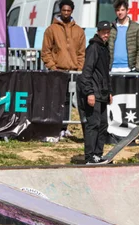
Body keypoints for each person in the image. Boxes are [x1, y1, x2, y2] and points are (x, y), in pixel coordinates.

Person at [41, 0, 86, 138]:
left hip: (72, 72)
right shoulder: (51, 29)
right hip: (57, 71)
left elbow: (81, 52)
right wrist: (53, 67)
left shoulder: (79, 31)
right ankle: (54, 127)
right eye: (64, 10)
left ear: (72, 11)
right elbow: (46, 51)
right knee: (55, 100)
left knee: (68, 100)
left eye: (68, 10)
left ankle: (64, 127)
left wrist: (78, 69)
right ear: (60, 11)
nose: (66, 13)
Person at [77, 21, 113, 164]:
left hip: (103, 93)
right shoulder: (93, 48)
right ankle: (89, 156)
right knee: (93, 124)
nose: (106, 34)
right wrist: (89, 93)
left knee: (103, 124)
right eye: (104, 32)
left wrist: (109, 91)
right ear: (98, 31)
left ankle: (98, 154)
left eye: (108, 32)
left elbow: (105, 73)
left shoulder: (105, 48)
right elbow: (87, 72)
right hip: (94, 92)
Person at [109, 0, 139, 72]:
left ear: (127, 10)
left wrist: (138, 67)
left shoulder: (136, 27)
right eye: (117, 10)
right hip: (112, 68)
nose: (120, 12)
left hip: (129, 69)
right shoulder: (110, 27)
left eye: (122, 10)